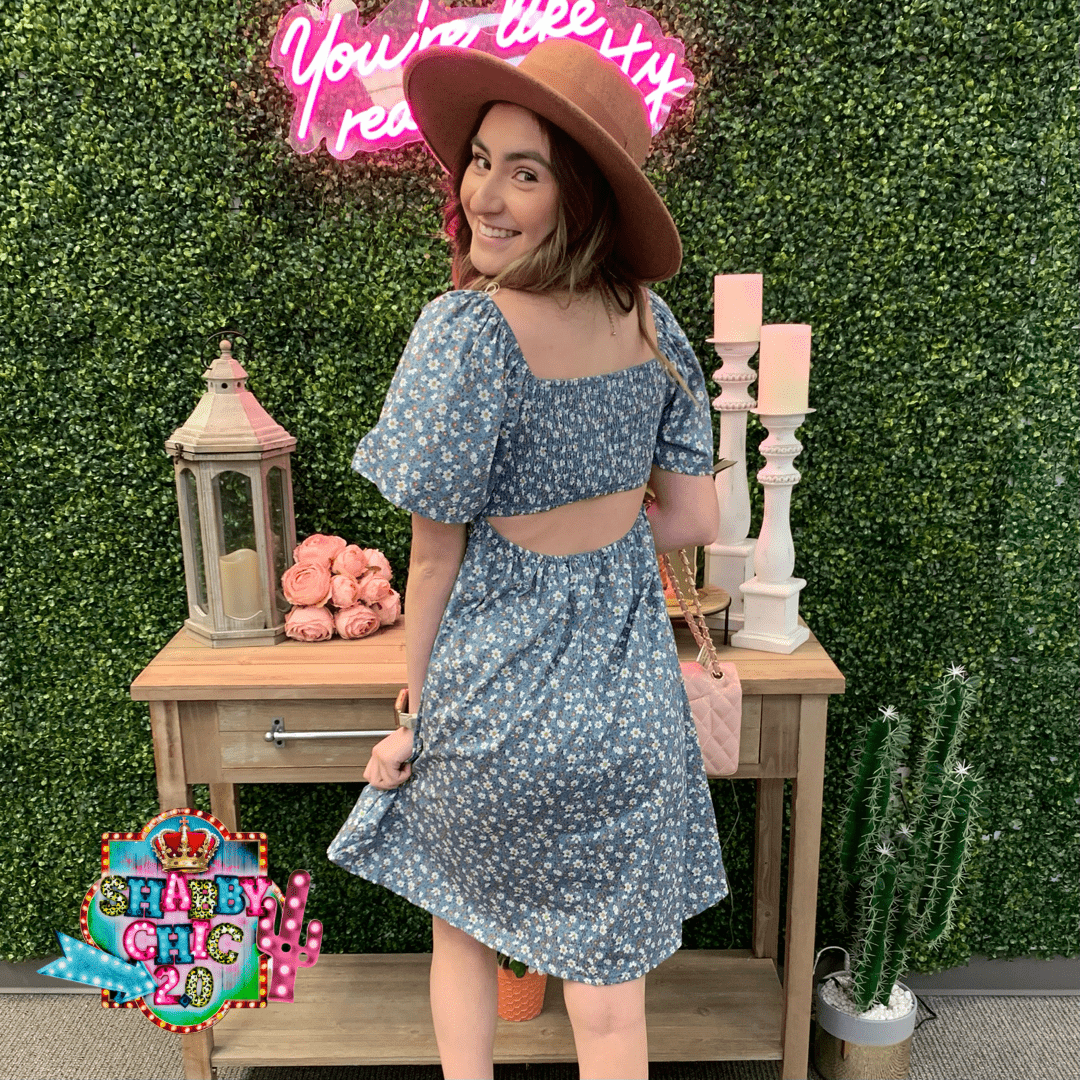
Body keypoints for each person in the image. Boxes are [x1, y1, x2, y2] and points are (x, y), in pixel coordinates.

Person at [327, 38, 729, 1080]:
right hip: (628, 717)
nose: (486, 195)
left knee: (462, 932)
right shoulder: (653, 322)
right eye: (480, 160)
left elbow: (433, 557)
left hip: (494, 713)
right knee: (611, 1011)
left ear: (578, 198)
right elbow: (694, 516)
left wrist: (415, 712)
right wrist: (601, 543)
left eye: (526, 172)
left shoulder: (468, 331)